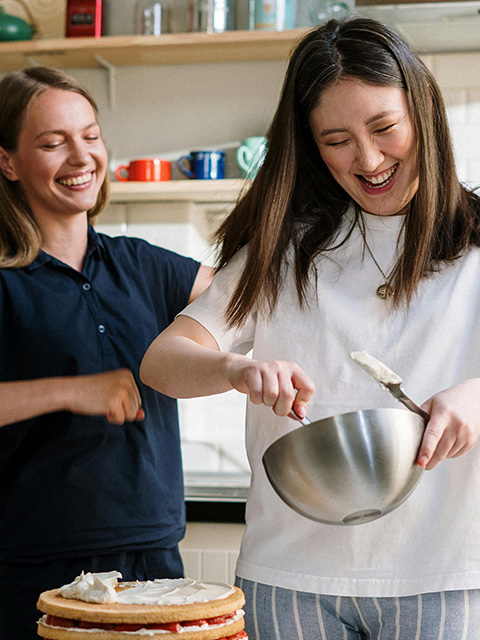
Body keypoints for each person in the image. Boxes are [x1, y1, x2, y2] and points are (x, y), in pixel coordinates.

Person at [140, 16, 480, 640]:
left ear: (423, 114)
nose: (369, 160)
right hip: (290, 575)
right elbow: (162, 362)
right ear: (309, 145)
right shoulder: (283, 251)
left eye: (384, 128)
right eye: (337, 139)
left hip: (447, 573)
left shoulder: (475, 244)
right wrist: (233, 369)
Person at [0, 66, 212, 640]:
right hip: (34, 572)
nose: (81, 156)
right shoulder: (5, 279)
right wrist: (76, 390)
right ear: (8, 162)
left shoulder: (143, 264)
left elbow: (253, 299)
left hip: (154, 562)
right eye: (53, 142)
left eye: (90, 136)